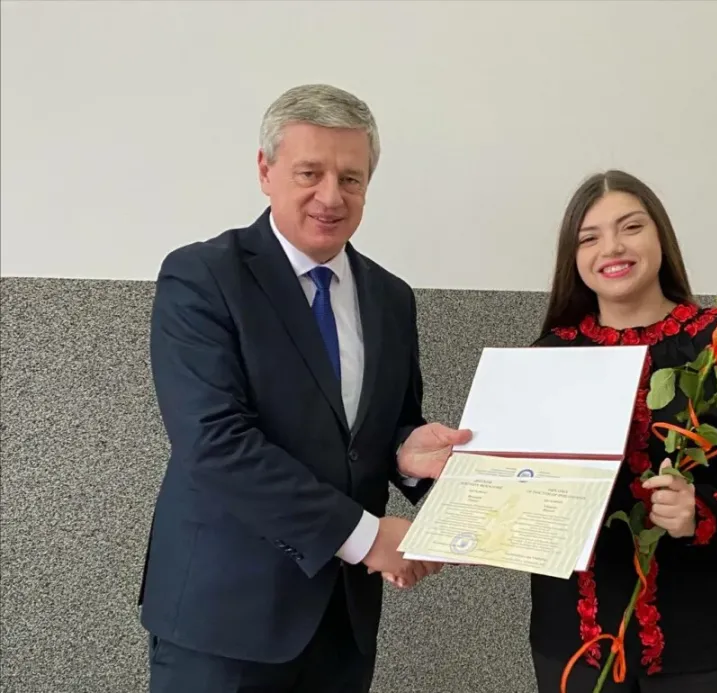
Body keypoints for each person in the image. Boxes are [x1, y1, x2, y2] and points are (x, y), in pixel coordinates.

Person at [138, 83, 471, 693]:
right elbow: (214, 443)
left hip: (341, 625)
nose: (331, 196)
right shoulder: (202, 276)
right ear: (265, 171)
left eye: (351, 178)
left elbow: (381, 428)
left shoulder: (391, 297)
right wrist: (368, 537)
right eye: (310, 173)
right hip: (224, 622)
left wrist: (407, 453)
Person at [528, 170, 717, 692]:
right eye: (589, 238)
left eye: (630, 227)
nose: (611, 248)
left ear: (660, 235)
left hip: (703, 646)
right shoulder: (549, 356)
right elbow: (512, 488)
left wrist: (701, 512)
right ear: (573, 257)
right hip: (574, 646)